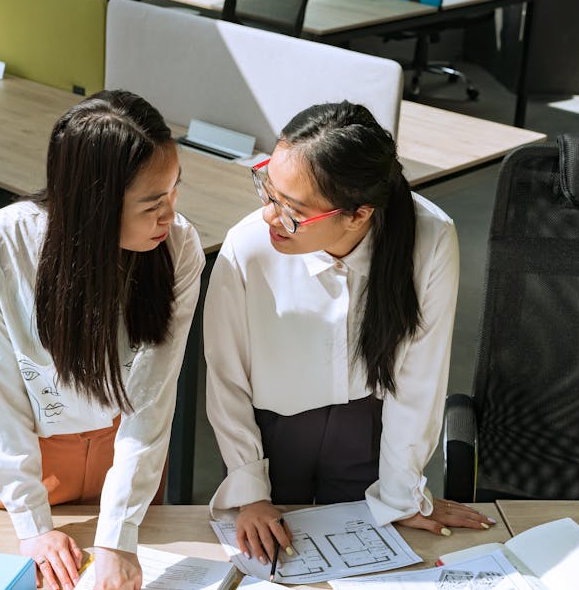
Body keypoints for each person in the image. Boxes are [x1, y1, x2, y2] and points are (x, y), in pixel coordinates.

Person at [205, 101, 495, 566]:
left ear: (359, 214)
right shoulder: (248, 247)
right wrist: (249, 491)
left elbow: (418, 380)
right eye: (267, 188)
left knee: (369, 568)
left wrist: (402, 494)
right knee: (275, 567)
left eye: (293, 209)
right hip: (270, 436)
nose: (269, 216)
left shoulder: (431, 238)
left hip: (370, 432)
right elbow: (226, 380)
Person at [0, 90, 204, 590]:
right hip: (24, 459)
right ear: (94, 204)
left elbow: (152, 404)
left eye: (174, 192)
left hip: (126, 459)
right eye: (152, 204)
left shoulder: (178, 247)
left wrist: (117, 537)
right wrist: (31, 524)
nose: (170, 215)